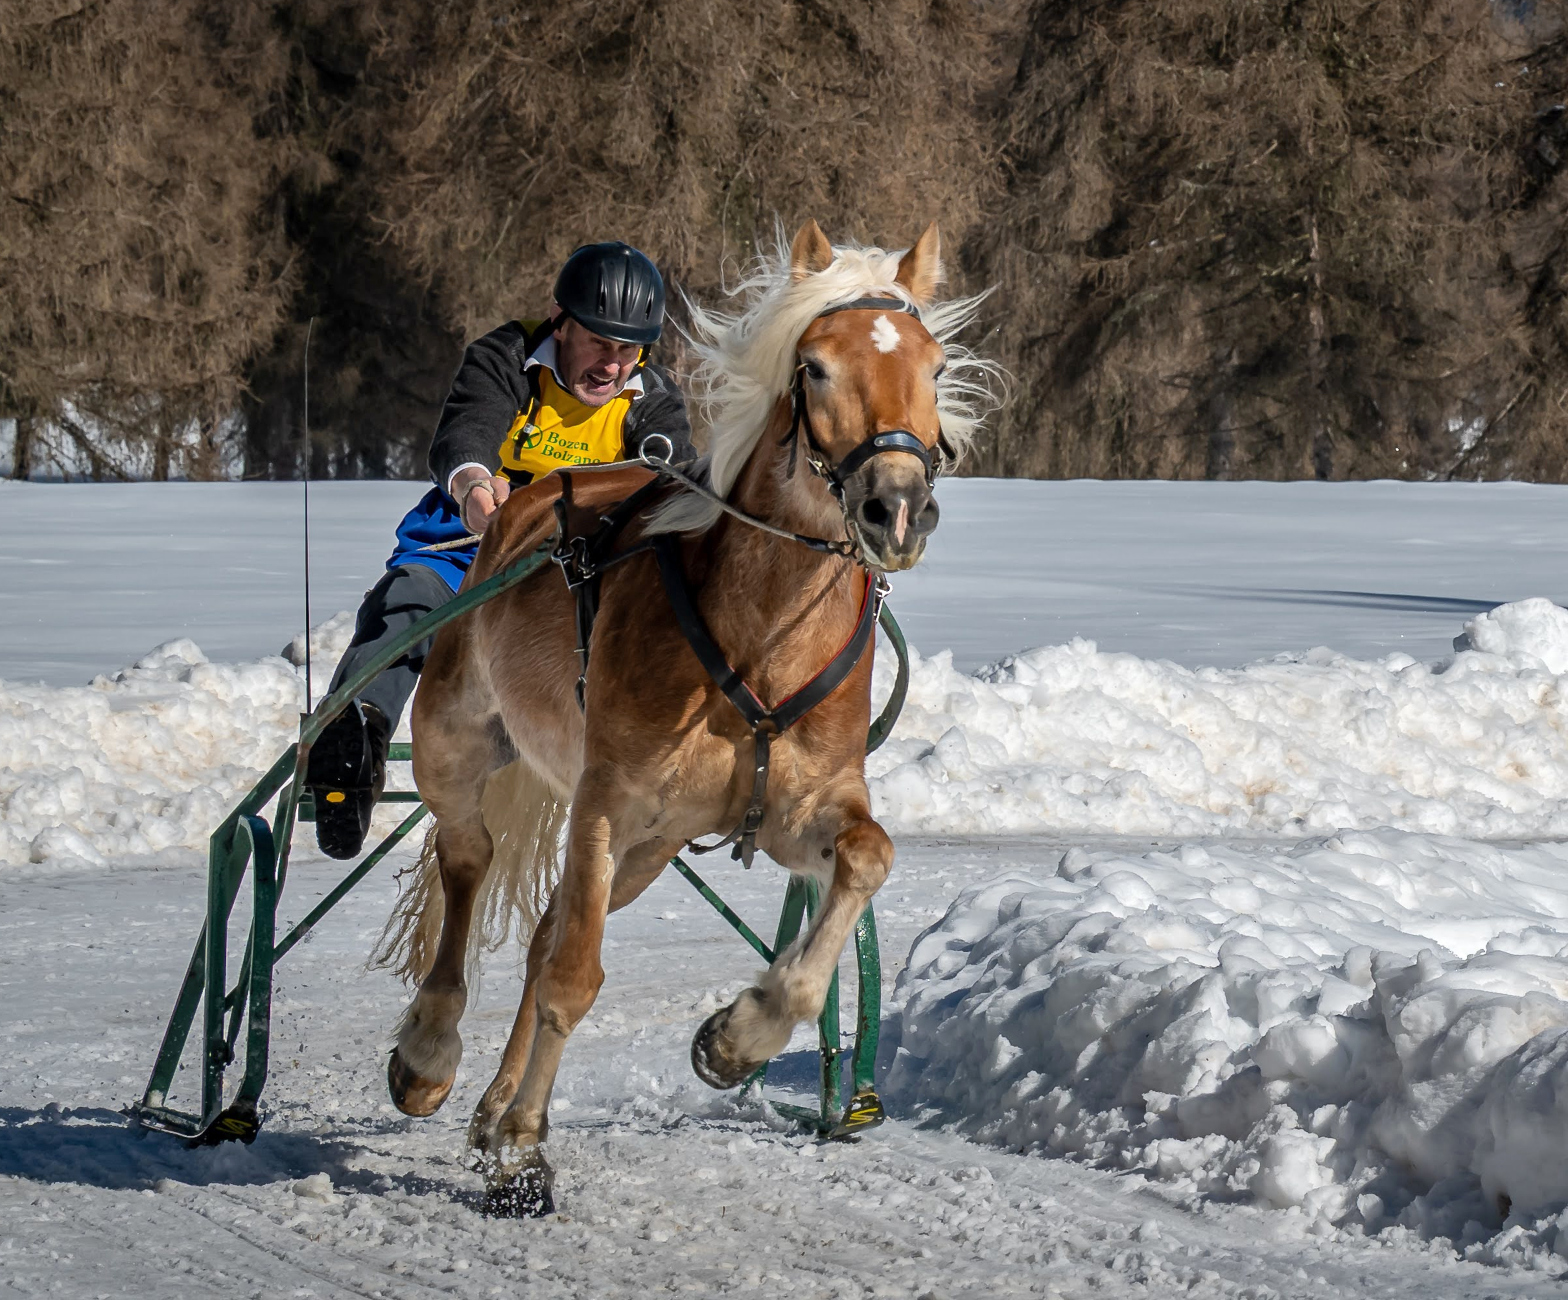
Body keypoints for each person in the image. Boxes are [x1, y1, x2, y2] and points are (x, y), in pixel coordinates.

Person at [307, 241, 694, 859]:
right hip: (468, 542)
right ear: (560, 321)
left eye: (627, 350)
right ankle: (353, 741)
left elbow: (669, 473)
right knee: (407, 601)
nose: (611, 364)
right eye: (597, 342)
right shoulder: (506, 357)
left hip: (575, 571)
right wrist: (476, 488)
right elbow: (470, 430)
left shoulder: (651, 396)